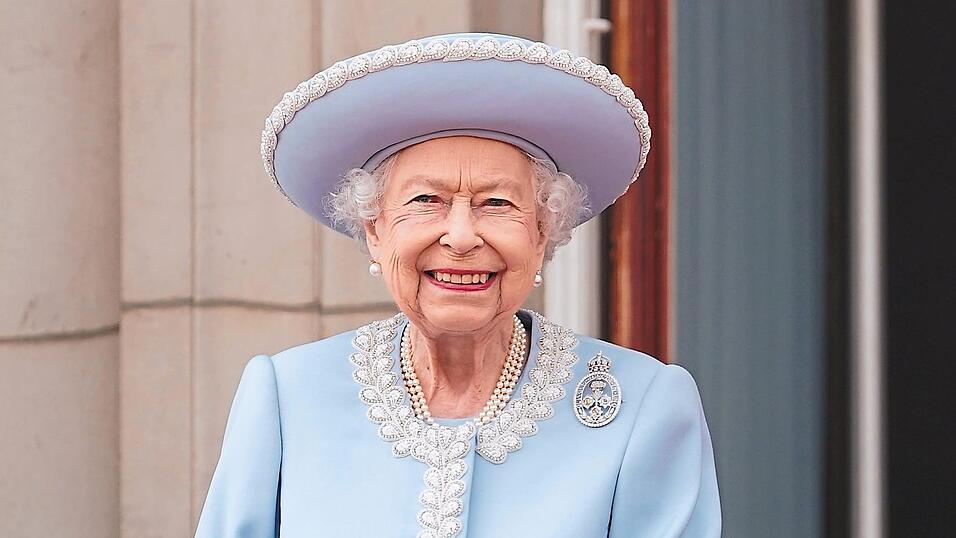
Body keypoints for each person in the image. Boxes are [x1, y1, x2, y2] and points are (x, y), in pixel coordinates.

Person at [195, 32, 720, 537]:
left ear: (542, 235)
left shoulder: (643, 407)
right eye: (427, 201)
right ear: (375, 231)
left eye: (497, 204)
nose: (462, 235)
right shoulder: (288, 396)